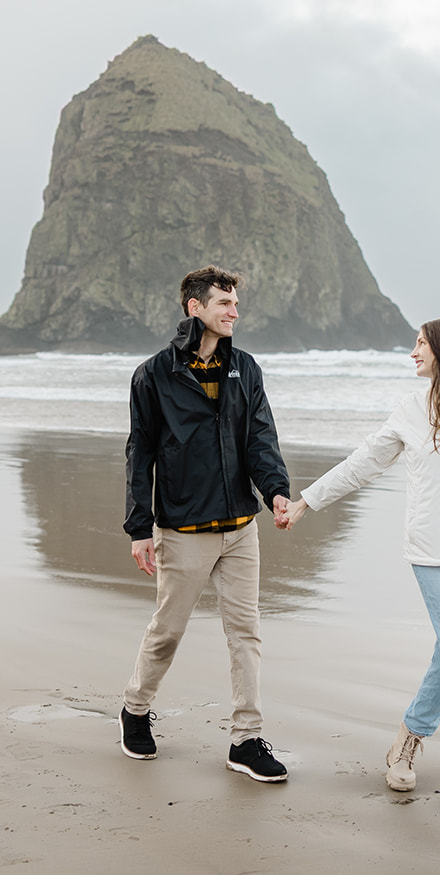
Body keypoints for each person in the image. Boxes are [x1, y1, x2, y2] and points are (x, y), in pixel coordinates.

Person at [277, 318, 440, 821]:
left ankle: (407, 739)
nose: (412, 351)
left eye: (420, 342)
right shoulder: (412, 409)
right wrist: (307, 500)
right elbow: (364, 463)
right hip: (432, 555)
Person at [118, 265, 293, 783]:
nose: (234, 312)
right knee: (167, 632)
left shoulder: (245, 368)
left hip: (242, 527)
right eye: (224, 303)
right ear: (195, 307)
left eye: (236, 303)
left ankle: (245, 739)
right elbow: (140, 453)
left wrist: (277, 491)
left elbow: (261, 438)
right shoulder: (154, 375)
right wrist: (139, 528)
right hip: (184, 528)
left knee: (246, 634)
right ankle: (134, 707)